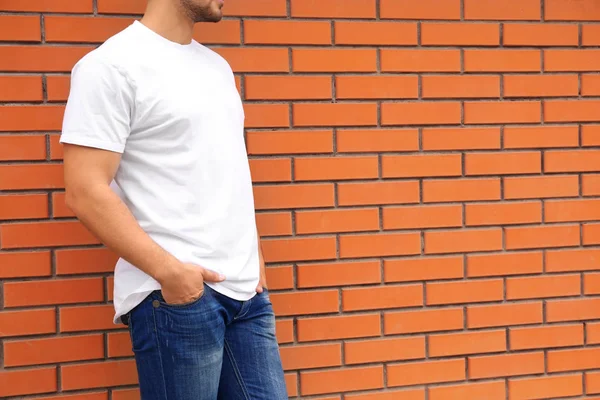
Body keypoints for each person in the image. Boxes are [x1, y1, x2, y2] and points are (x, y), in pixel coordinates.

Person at [59, 0, 288, 398]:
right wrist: (171, 274)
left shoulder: (217, 67)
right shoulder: (110, 66)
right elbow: (84, 191)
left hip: (246, 294)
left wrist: (255, 255)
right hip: (178, 299)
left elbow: (223, 168)